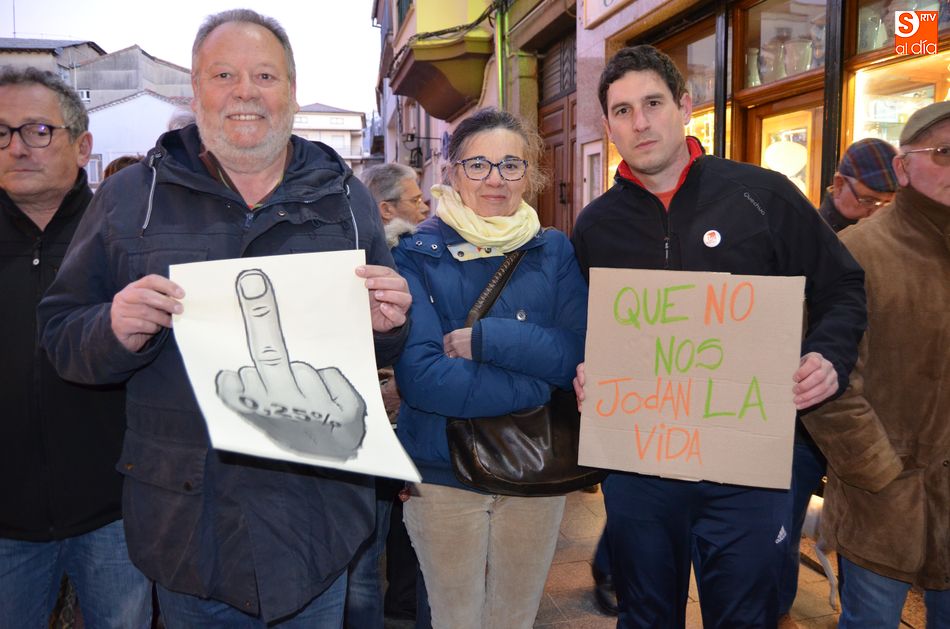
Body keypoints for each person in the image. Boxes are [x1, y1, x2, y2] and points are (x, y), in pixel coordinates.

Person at [37, 10, 411, 627]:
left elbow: (381, 345)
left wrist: (389, 324)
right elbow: (60, 334)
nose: (245, 92)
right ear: (195, 90)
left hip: (316, 524)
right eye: (223, 75)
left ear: (291, 91)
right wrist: (113, 329)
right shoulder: (131, 198)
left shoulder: (346, 198)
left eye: (265, 75)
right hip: (188, 525)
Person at [571, 45, 866, 628]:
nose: (640, 122)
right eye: (623, 111)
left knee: (745, 617)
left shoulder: (763, 196)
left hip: (749, 464)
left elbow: (843, 285)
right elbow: (582, 327)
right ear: (608, 125)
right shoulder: (595, 226)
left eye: (653, 103)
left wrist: (828, 355)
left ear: (684, 107)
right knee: (645, 616)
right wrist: (582, 369)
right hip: (640, 465)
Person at [392, 108, 588, 629]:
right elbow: (423, 380)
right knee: (454, 620)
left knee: (514, 619)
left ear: (530, 175)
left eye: (511, 165)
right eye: (477, 164)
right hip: (444, 471)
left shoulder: (553, 249)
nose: (495, 179)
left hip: (536, 464)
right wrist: (539, 382)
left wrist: (488, 340)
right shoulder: (415, 254)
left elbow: (577, 352)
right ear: (451, 171)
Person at [0, 66, 151, 628]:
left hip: (116, 509)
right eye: (1, 132)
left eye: (38, 130)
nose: (17, 147)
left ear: (82, 146)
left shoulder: (130, 237)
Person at [802, 101, 950, 629]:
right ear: (903, 168)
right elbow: (825, 384)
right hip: (883, 504)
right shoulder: (859, 251)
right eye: (944, 151)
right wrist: (881, 475)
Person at [779, 136, 899, 628]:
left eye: (885, 203)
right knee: (782, 526)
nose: (873, 212)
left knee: (863, 534)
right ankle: (777, 608)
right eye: (866, 200)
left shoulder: (892, 247)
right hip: (803, 421)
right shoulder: (803, 234)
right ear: (837, 185)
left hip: (863, 416)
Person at [345, 161, 429, 629]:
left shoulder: (417, 252)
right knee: (370, 549)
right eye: (415, 199)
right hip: (373, 421)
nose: (425, 206)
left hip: (386, 418)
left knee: (378, 546)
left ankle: (397, 605)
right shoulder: (374, 261)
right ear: (385, 208)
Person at [818, 137, 898, 232]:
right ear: (839, 185)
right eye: (868, 201)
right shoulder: (813, 235)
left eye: (888, 203)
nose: (877, 213)